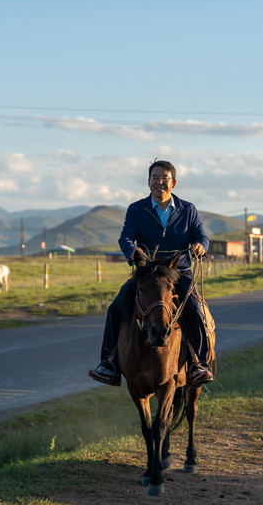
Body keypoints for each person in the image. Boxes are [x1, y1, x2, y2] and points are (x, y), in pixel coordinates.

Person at [88, 160, 214, 387]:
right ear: (148, 182)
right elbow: (125, 237)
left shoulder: (188, 209)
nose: (159, 182)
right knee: (115, 308)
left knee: (195, 309)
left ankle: (199, 364)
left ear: (173, 183)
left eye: (164, 178)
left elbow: (201, 236)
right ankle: (109, 364)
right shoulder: (136, 209)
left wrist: (200, 246)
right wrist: (131, 251)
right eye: (155, 178)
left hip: (178, 274)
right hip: (146, 274)